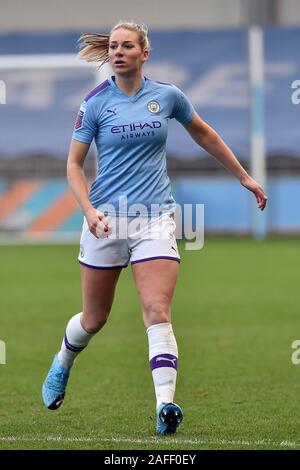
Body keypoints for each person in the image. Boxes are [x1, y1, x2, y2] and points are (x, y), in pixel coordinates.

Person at [42, 21, 268, 435]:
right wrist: (89, 210)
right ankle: (62, 363)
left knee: (157, 312)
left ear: (145, 53)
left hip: (155, 219)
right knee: (94, 319)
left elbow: (204, 133)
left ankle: (166, 405)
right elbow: (73, 165)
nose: (118, 52)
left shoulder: (167, 96)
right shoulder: (94, 103)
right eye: (113, 46)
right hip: (105, 222)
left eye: (127, 45)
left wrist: (243, 176)